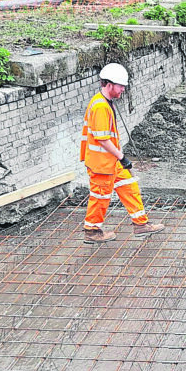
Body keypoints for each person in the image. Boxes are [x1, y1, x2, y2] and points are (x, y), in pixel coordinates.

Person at [79, 63, 164, 243]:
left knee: (129, 186)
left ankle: (141, 224)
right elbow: (102, 138)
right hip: (101, 163)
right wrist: (122, 156)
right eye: (120, 86)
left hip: (111, 161)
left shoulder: (106, 102)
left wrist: (118, 158)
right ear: (109, 84)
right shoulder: (100, 106)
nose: (123, 90)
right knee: (100, 197)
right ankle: (92, 231)